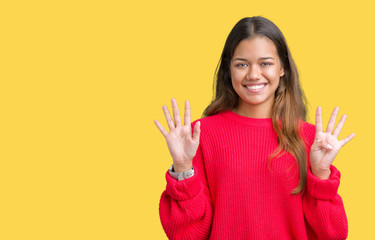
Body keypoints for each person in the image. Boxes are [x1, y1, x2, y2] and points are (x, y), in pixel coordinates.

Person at [154, 16, 355, 240]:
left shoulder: (312, 141)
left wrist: (321, 174)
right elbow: (185, 235)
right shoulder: (198, 136)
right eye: (242, 64)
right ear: (228, 70)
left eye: (265, 63)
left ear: (282, 68)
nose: (253, 74)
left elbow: (333, 235)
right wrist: (182, 167)